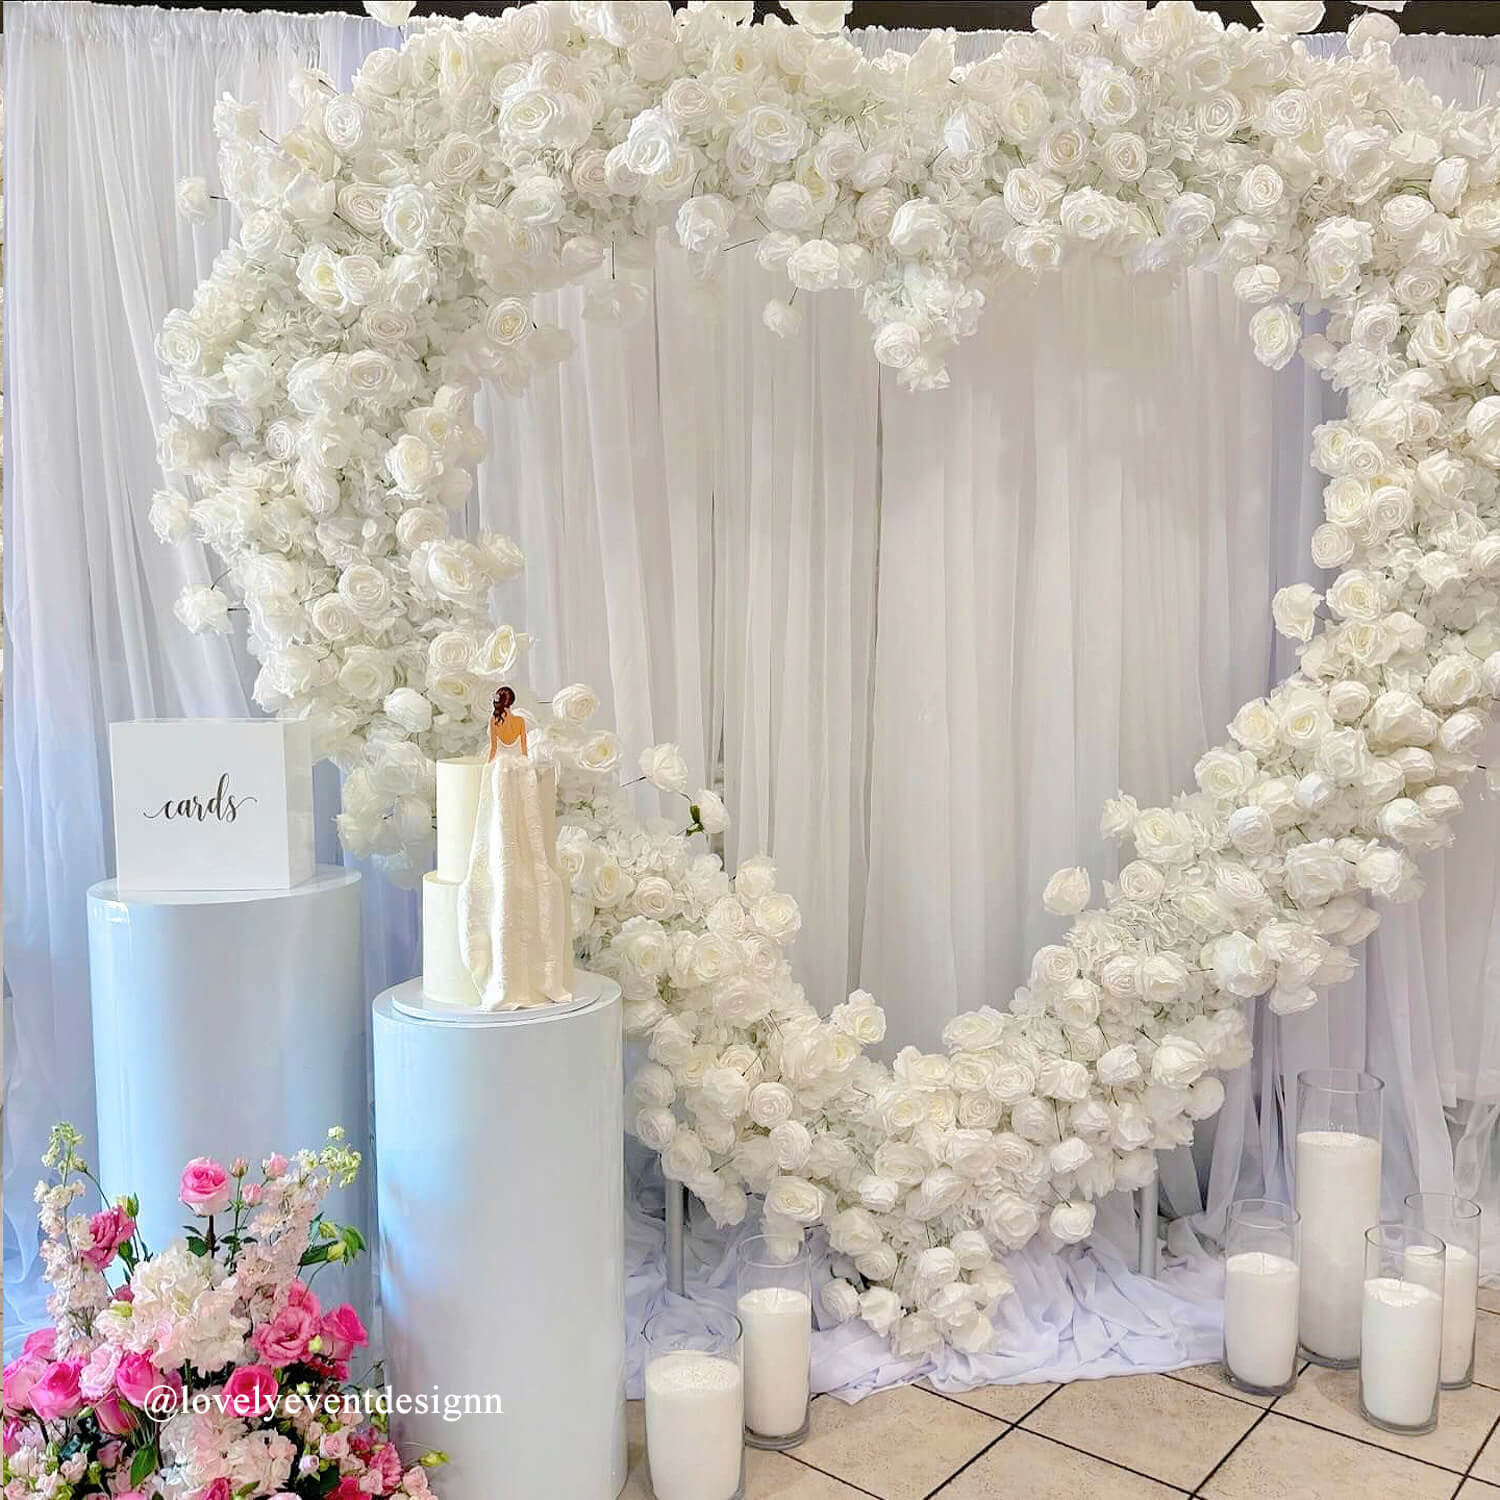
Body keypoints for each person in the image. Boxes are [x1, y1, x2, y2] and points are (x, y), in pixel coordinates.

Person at [458, 685, 574, 1009]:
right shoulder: (519, 723)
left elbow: (495, 751)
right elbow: (522, 749)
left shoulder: (495, 723)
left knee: (512, 841)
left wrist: (491, 770)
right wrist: (522, 767)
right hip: (520, 771)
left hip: (501, 772)